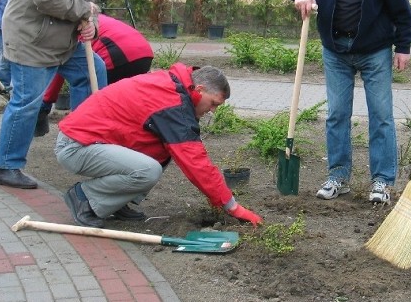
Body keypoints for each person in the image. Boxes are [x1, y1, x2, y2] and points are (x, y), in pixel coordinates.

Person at [286, 0, 411, 203]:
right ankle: (338, 176)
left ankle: (382, 181)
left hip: (374, 48)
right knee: (337, 114)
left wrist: (403, 44)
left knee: (381, 116)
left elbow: (399, 3)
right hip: (335, 48)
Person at [0, 0, 120, 189]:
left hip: (62, 39)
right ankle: (5, 165)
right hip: (32, 38)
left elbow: (90, 6)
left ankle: (83, 138)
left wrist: (92, 25)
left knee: (92, 71)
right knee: (28, 100)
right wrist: (82, 10)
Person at [55, 63, 263, 228]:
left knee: (161, 150)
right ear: (199, 90)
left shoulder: (175, 87)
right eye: (213, 103)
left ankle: (114, 202)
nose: (213, 110)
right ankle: (84, 198)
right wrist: (232, 206)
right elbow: (196, 162)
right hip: (76, 146)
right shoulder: (172, 103)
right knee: (148, 170)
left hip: (94, 141)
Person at [34, 13, 155, 136]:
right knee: (122, 101)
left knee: (85, 83)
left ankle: (79, 134)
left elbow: (62, 66)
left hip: (117, 55)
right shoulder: (95, 17)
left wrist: (46, 103)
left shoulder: (76, 25)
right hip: (144, 53)